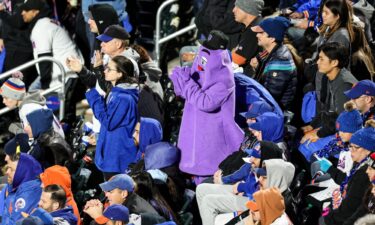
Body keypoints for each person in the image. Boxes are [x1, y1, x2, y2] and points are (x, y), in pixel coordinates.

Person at [169, 30, 244, 182]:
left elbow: (205, 102)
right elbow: (186, 90)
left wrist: (187, 82)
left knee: (207, 181)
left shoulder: (224, 80)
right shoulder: (203, 64)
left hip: (212, 140)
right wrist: (179, 80)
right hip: (195, 133)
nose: (203, 56)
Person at [196, 142, 284, 225]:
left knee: (208, 201)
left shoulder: (271, 174)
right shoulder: (256, 166)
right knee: (201, 189)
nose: (251, 159)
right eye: (252, 155)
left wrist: (241, 186)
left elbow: (259, 195)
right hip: (243, 193)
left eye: (256, 157)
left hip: (250, 200)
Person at [82, 55, 138, 179]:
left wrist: (94, 97)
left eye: (109, 69)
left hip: (117, 158)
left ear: (120, 74)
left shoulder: (123, 98)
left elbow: (109, 122)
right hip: (113, 155)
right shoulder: (116, 93)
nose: (105, 71)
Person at [318, 121, 375, 225]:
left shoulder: (364, 174)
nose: (351, 151)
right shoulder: (360, 163)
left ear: (368, 150)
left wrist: (327, 217)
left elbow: (348, 211)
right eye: (350, 146)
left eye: (355, 147)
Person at [20, 0, 84, 90]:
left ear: (35, 12)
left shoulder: (41, 26)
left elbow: (45, 60)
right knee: (31, 92)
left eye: (26, 10)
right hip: (69, 71)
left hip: (64, 75)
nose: (22, 13)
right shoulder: (47, 22)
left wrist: (45, 88)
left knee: (31, 97)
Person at [301, 42, 357, 143]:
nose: (317, 62)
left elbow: (342, 120)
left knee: (306, 144)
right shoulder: (327, 77)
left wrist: (318, 134)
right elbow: (326, 110)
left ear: (334, 62)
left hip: (348, 135)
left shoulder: (344, 84)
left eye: (322, 59)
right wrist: (312, 125)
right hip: (334, 126)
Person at [250, 16, 298, 111]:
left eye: (261, 33)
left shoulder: (280, 61)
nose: (257, 35)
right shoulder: (270, 53)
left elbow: (270, 96)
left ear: (272, 38)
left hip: (274, 113)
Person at [0, 76, 64, 137]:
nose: (3, 101)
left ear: (16, 96)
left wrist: (15, 129)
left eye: (6, 98)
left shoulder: (29, 108)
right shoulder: (27, 105)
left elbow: (37, 138)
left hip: (55, 146)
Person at [83, 174, 159, 224]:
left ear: (123, 194)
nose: (106, 194)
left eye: (110, 191)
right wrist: (100, 210)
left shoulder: (134, 212)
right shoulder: (128, 201)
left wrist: (99, 217)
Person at [0, 152, 42, 225]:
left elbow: (14, 222)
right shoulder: (14, 185)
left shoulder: (29, 194)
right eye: (8, 168)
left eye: (12, 169)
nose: (7, 172)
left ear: (22, 172)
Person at [231, 0, 263, 76]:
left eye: (237, 7)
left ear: (248, 10)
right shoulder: (255, 25)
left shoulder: (253, 30)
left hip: (247, 79)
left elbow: (236, 60)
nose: (233, 10)